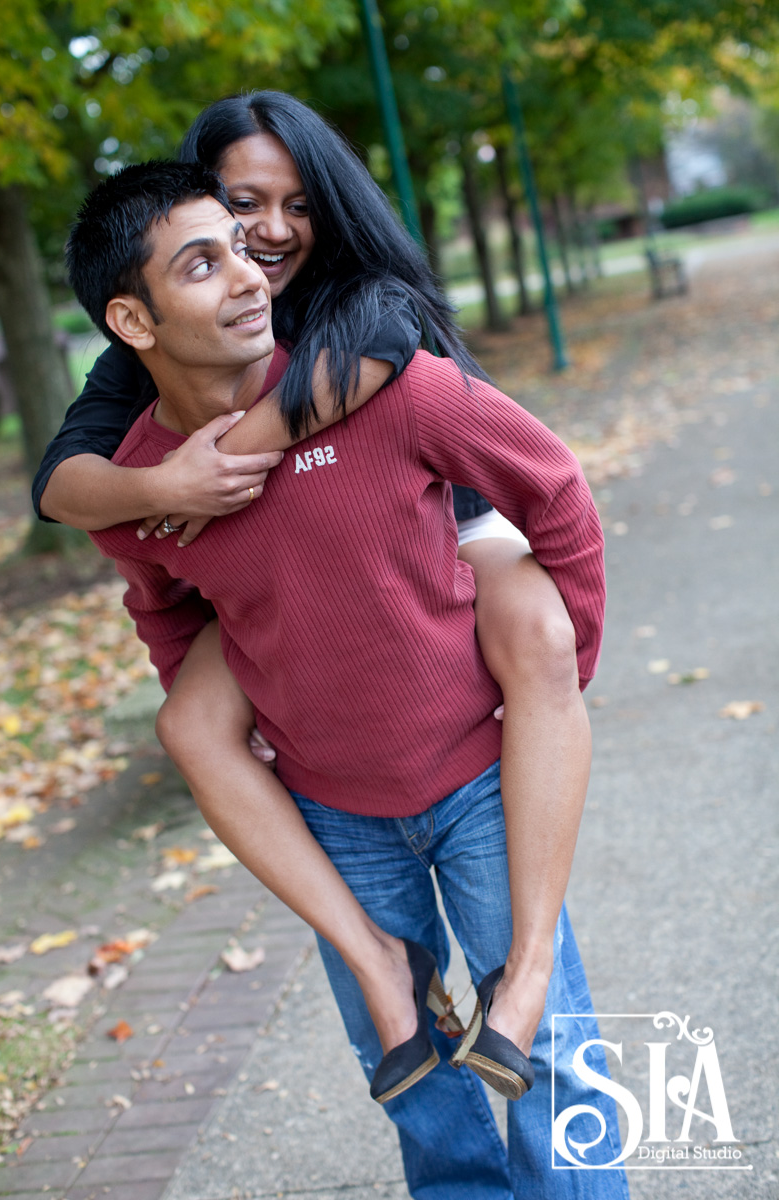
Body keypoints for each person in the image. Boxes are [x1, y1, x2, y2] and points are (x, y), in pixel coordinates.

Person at [67, 159, 628, 1197]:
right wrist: (255, 739)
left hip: (477, 783)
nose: (247, 276)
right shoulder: (141, 480)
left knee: (544, 1044)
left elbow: (552, 489)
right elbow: (168, 613)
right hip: (332, 814)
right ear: (131, 321)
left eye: (243, 249)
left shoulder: (382, 389)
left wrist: (558, 676)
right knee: (404, 1063)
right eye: (202, 263)